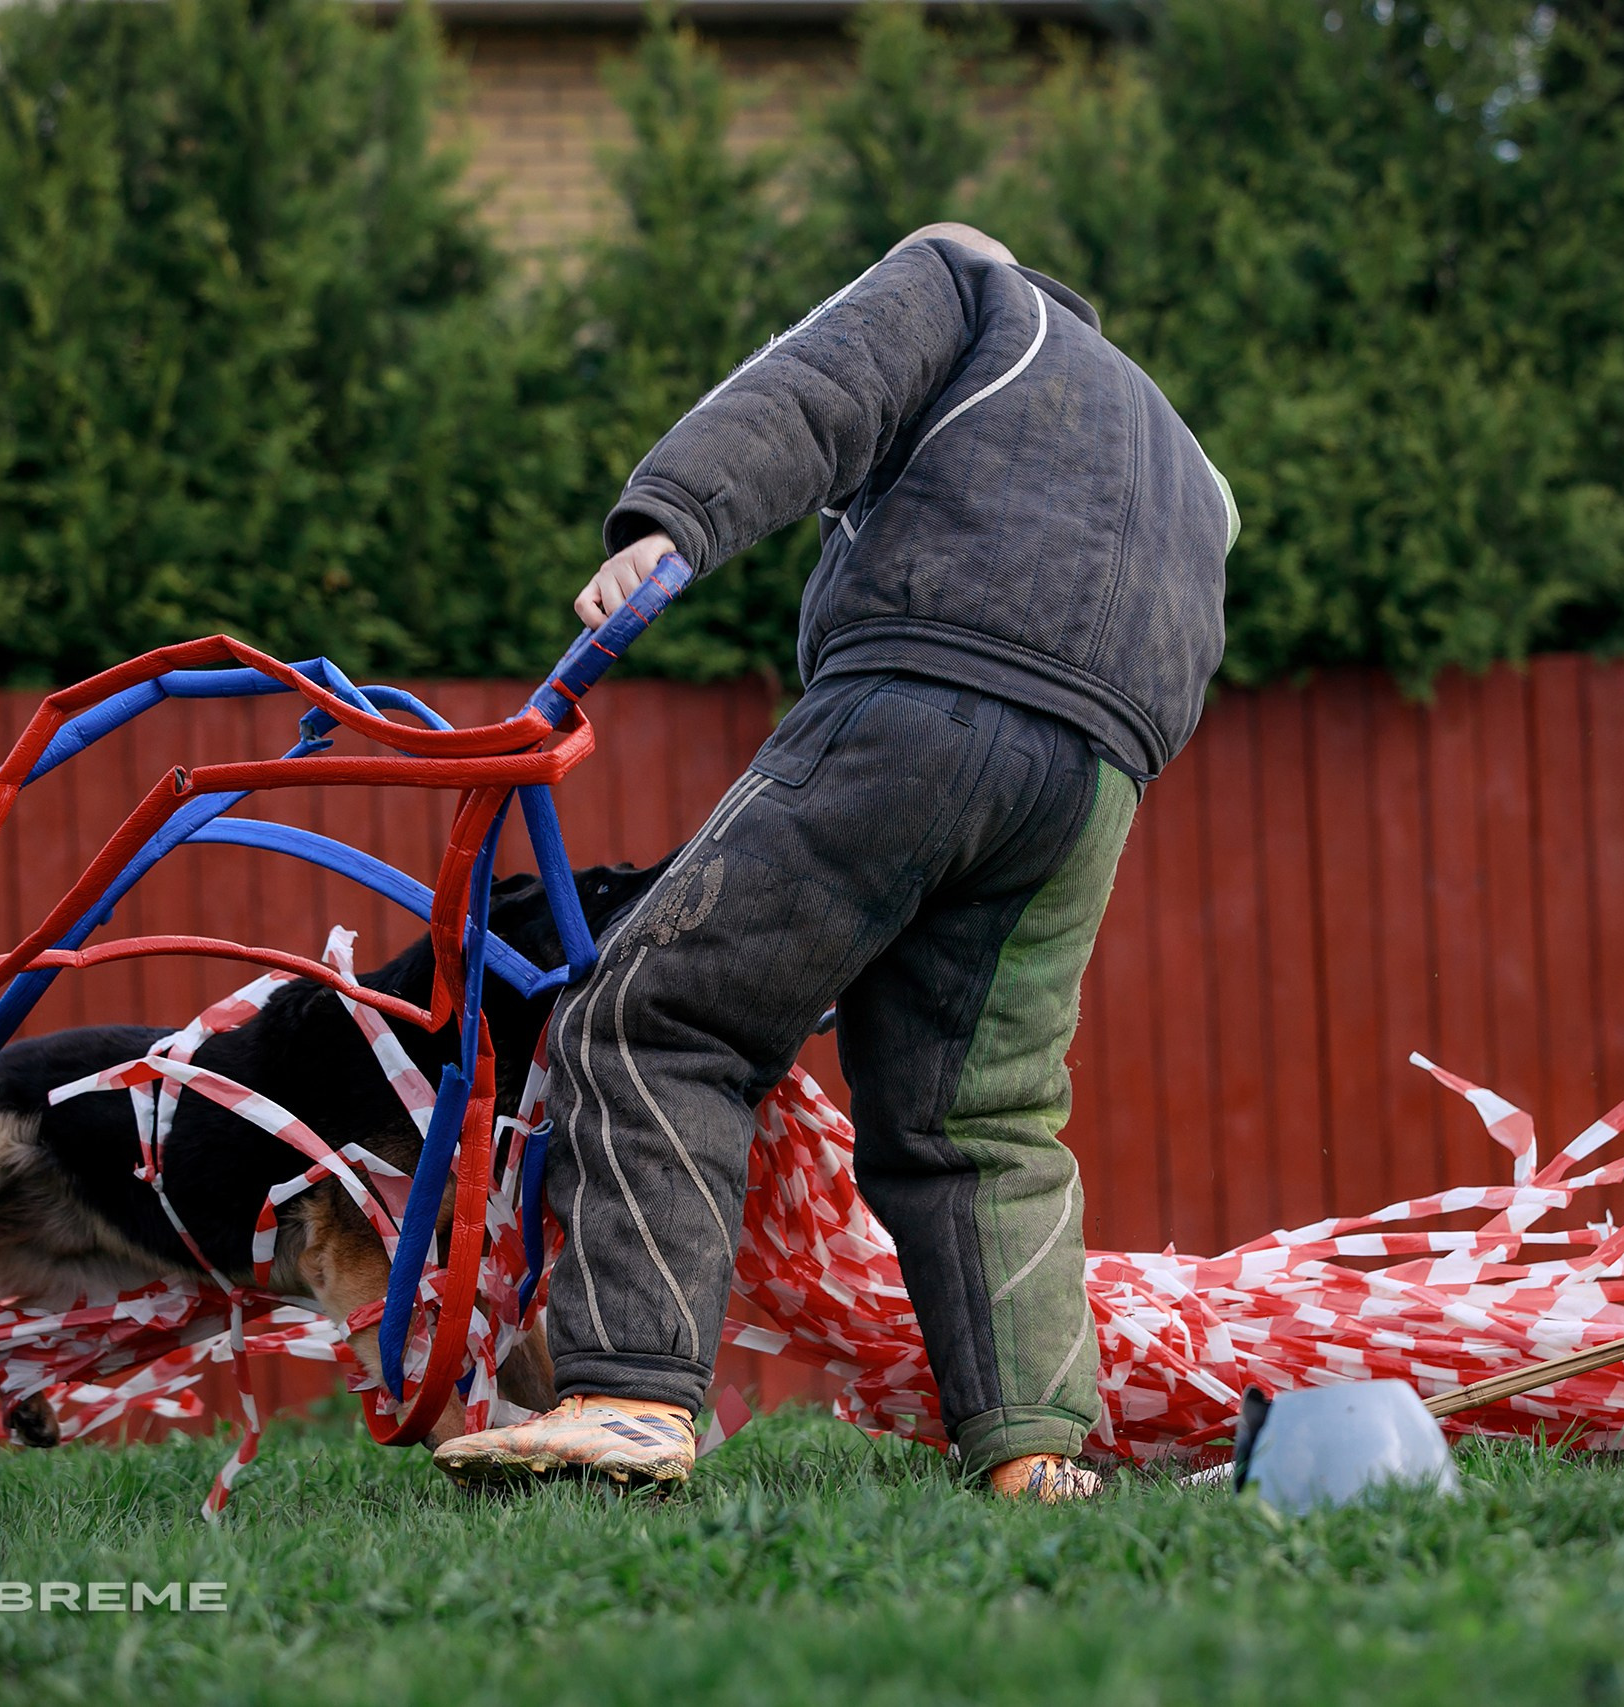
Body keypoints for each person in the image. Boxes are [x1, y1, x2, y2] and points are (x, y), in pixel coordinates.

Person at [432, 223, 1235, 1502]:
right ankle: (1033, 1451)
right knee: (984, 1118)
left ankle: (631, 1398)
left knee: (659, 1016)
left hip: (916, 701)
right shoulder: (1185, 456)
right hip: (1095, 781)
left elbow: (818, 387)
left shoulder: (970, 288)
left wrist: (673, 518)